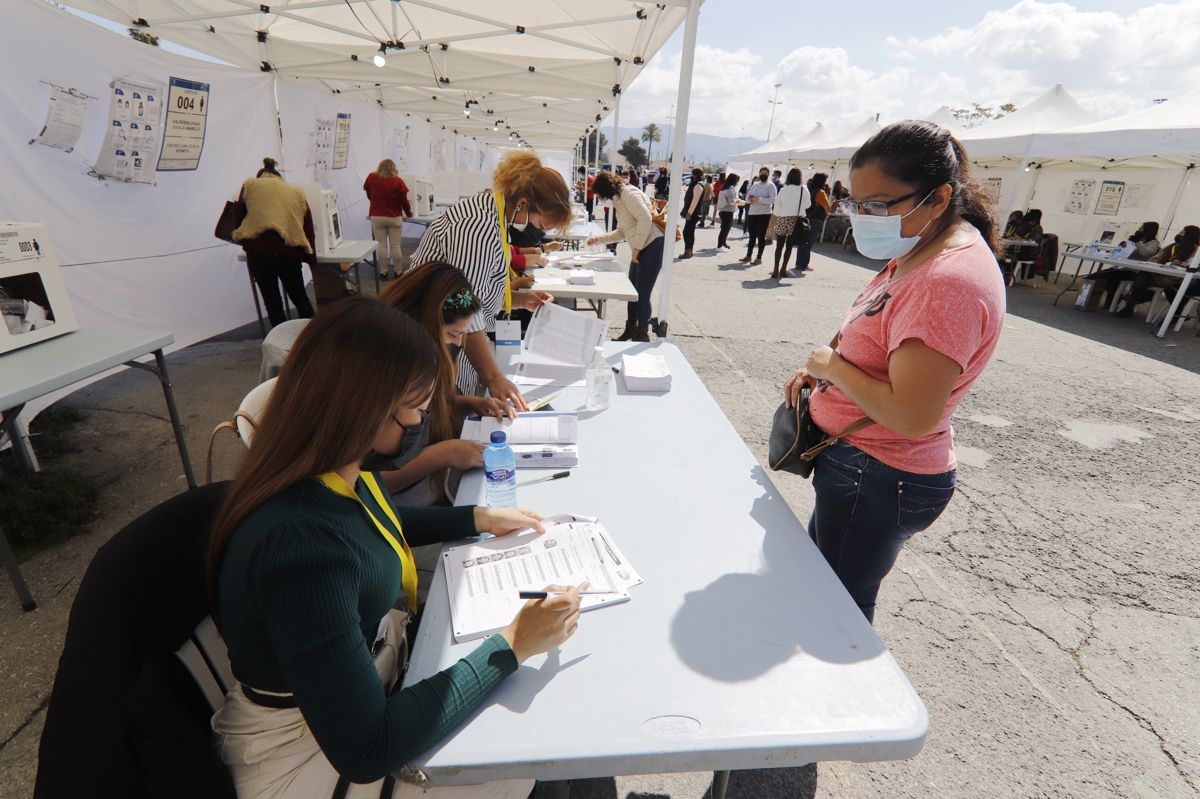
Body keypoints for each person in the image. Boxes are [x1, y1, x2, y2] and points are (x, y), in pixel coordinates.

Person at [209, 296, 583, 798]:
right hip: (297, 758)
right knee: (529, 757)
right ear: (364, 410)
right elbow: (366, 749)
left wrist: (477, 516)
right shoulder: (301, 549)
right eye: (416, 410)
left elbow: (376, 522)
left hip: (352, 693)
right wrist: (512, 644)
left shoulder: (331, 470)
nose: (422, 423)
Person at [783, 120, 1005, 623]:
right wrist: (824, 378)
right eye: (854, 203)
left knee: (834, 611)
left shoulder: (944, 280)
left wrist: (834, 367)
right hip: (866, 467)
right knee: (826, 588)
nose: (863, 217)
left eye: (878, 205)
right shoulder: (921, 247)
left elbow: (911, 415)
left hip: (878, 472)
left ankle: (839, 699)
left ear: (938, 197)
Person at [410, 151, 569, 407]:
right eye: (540, 226)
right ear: (523, 204)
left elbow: (480, 286)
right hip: (433, 346)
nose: (537, 235)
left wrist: (519, 300)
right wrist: (494, 378)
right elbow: (465, 310)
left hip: (452, 342)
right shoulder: (477, 228)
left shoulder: (494, 216)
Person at [374, 263, 515, 504]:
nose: (459, 344)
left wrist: (468, 404)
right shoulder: (387, 372)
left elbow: (429, 413)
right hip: (395, 504)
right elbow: (369, 480)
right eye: (452, 334)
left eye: (463, 334)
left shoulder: (417, 356)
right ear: (424, 323)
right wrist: (441, 455)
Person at [232, 157, 316, 328]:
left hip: (258, 253)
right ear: (278, 177)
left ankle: (280, 341)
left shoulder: (250, 186)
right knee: (300, 297)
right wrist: (310, 258)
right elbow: (307, 226)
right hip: (287, 253)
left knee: (272, 302)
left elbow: (239, 216)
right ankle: (312, 336)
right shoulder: (294, 192)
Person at [586, 170, 665, 342]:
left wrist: (636, 248)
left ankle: (642, 333)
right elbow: (624, 231)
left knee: (642, 292)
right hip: (643, 246)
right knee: (633, 292)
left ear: (606, 189)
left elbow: (645, 219)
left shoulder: (627, 193)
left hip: (652, 245)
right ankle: (631, 329)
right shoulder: (619, 197)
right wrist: (599, 239)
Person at [363, 158, 413, 280]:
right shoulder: (398, 181)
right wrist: (409, 213)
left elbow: (369, 194)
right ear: (393, 168)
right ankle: (398, 271)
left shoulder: (371, 177)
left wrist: (375, 203)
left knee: (382, 245)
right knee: (395, 246)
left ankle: (383, 272)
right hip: (394, 218)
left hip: (377, 216)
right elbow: (404, 202)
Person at [771, 168, 811, 279]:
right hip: (796, 220)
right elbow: (808, 205)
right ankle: (783, 269)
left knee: (779, 246)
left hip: (783, 219)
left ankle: (775, 269)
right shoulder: (803, 189)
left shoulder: (783, 189)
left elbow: (776, 207)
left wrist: (781, 214)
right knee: (789, 246)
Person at [739, 167, 776, 265]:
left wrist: (758, 199)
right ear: (759, 174)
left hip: (764, 213)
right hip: (753, 212)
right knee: (752, 236)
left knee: (760, 236)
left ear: (768, 174)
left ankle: (759, 257)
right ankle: (748, 255)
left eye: (765, 173)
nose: (763, 174)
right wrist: (750, 199)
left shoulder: (771, 185)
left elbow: (772, 200)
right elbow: (747, 197)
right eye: (762, 173)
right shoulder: (755, 185)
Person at [679, 168, 706, 259]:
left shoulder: (698, 186)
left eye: (693, 174)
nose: (691, 176)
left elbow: (695, 201)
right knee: (690, 232)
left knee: (686, 232)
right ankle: (689, 251)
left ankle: (687, 251)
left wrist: (689, 213)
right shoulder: (696, 185)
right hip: (694, 212)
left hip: (694, 213)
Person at [716, 173, 739, 251]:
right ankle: (719, 246)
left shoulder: (724, 188)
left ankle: (723, 243)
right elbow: (731, 201)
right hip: (728, 212)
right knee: (725, 230)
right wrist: (738, 201)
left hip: (723, 211)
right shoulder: (730, 190)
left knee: (725, 229)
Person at [806, 172, 832, 245]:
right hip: (816, 219)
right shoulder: (821, 192)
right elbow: (828, 208)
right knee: (809, 243)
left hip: (805, 217)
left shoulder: (807, 188)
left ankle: (802, 257)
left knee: (803, 241)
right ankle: (803, 257)